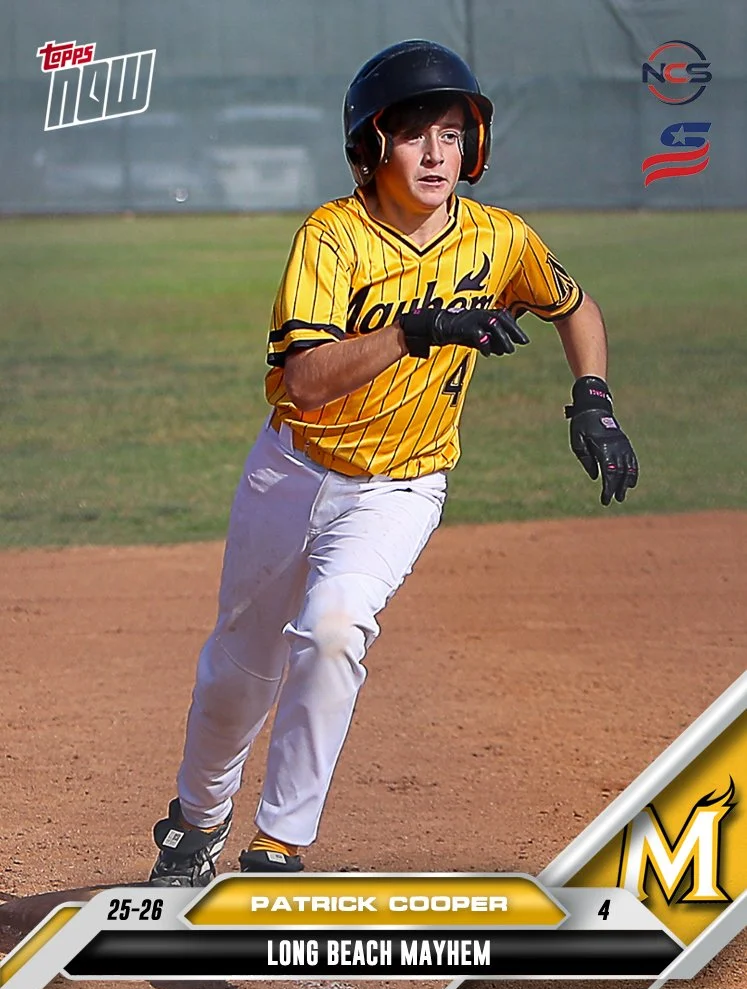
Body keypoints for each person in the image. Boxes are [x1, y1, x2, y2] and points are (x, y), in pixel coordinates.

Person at [148, 39, 638, 887]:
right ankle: (195, 823)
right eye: (415, 135)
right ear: (372, 147)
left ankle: (278, 848)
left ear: (475, 149)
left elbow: (575, 303)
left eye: (453, 134)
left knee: (334, 630)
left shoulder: (500, 240)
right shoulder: (331, 238)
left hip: (400, 486)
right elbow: (304, 379)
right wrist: (416, 329)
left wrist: (591, 396)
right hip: (290, 473)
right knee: (240, 672)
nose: (436, 154)